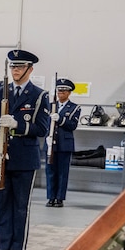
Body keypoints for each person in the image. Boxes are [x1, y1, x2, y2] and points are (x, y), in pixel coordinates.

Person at [0, 49, 50, 250]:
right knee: (3, 204)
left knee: (20, 206)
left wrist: (18, 125)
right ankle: (3, 246)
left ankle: (16, 249)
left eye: (20, 67)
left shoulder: (39, 95)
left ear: (30, 69)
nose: (16, 70)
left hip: (24, 159)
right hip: (2, 158)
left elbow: (42, 129)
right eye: (13, 66)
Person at [44, 78, 83, 207]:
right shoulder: (49, 106)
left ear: (69, 93)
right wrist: (46, 136)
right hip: (50, 143)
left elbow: (72, 125)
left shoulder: (74, 108)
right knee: (50, 171)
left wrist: (60, 119)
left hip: (64, 144)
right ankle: (50, 197)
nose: (61, 93)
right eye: (59, 91)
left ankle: (59, 198)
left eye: (64, 91)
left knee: (62, 172)